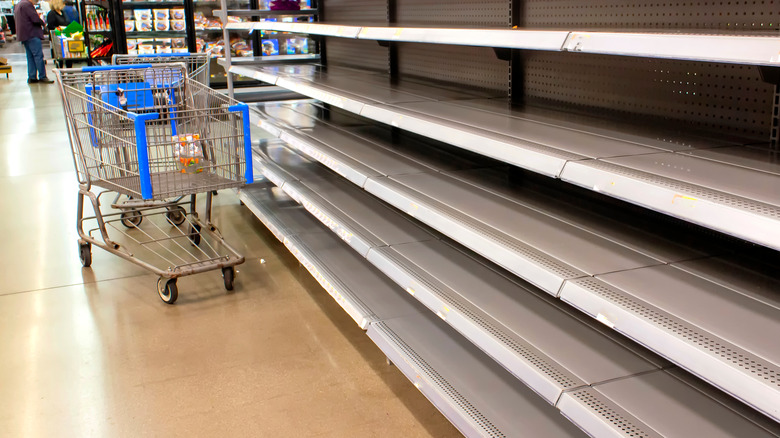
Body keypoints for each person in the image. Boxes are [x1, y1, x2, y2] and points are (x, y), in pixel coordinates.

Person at [13, 0, 53, 84]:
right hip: (32, 33)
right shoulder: (27, 5)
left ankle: (32, 77)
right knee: (38, 56)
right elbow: (35, 19)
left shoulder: (19, 4)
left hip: (24, 35)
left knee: (30, 56)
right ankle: (42, 76)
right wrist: (43, 23)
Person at [47, 0, 72, 68]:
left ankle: (70, 71)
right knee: (60, 56)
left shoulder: (63, 12)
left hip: (65, 36)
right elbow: (51, 26)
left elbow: (67, 22)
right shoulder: (51, 14)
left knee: (68, 55)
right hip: (57, 38)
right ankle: (60, 70)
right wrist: (59, 29)